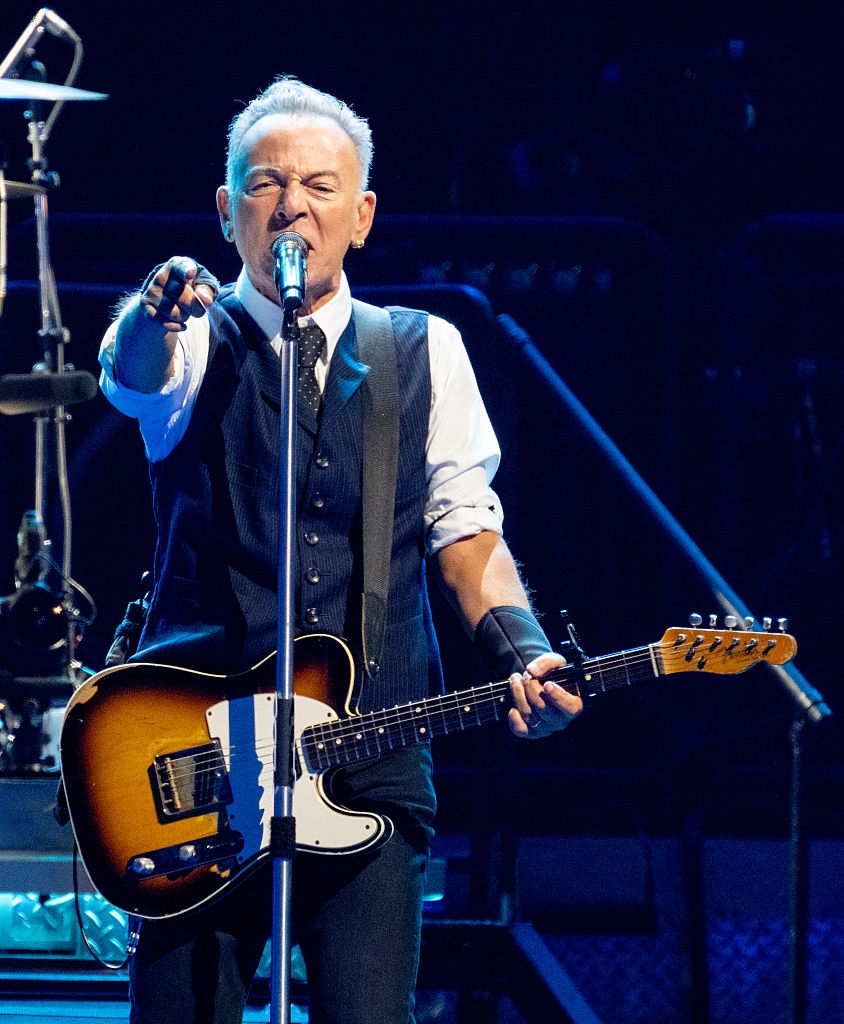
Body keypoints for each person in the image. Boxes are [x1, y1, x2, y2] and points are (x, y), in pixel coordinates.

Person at [98, 75, 583, 1024]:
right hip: (196, 761)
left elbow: (465, 528)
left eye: (320, 186)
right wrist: (153, 312)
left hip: (372, 755)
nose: (292, 205)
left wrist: (522, 649)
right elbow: (133, 375)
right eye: (266, 183)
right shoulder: (196, 339)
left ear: (361, 217)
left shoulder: (423, 350)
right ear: (227, 210)